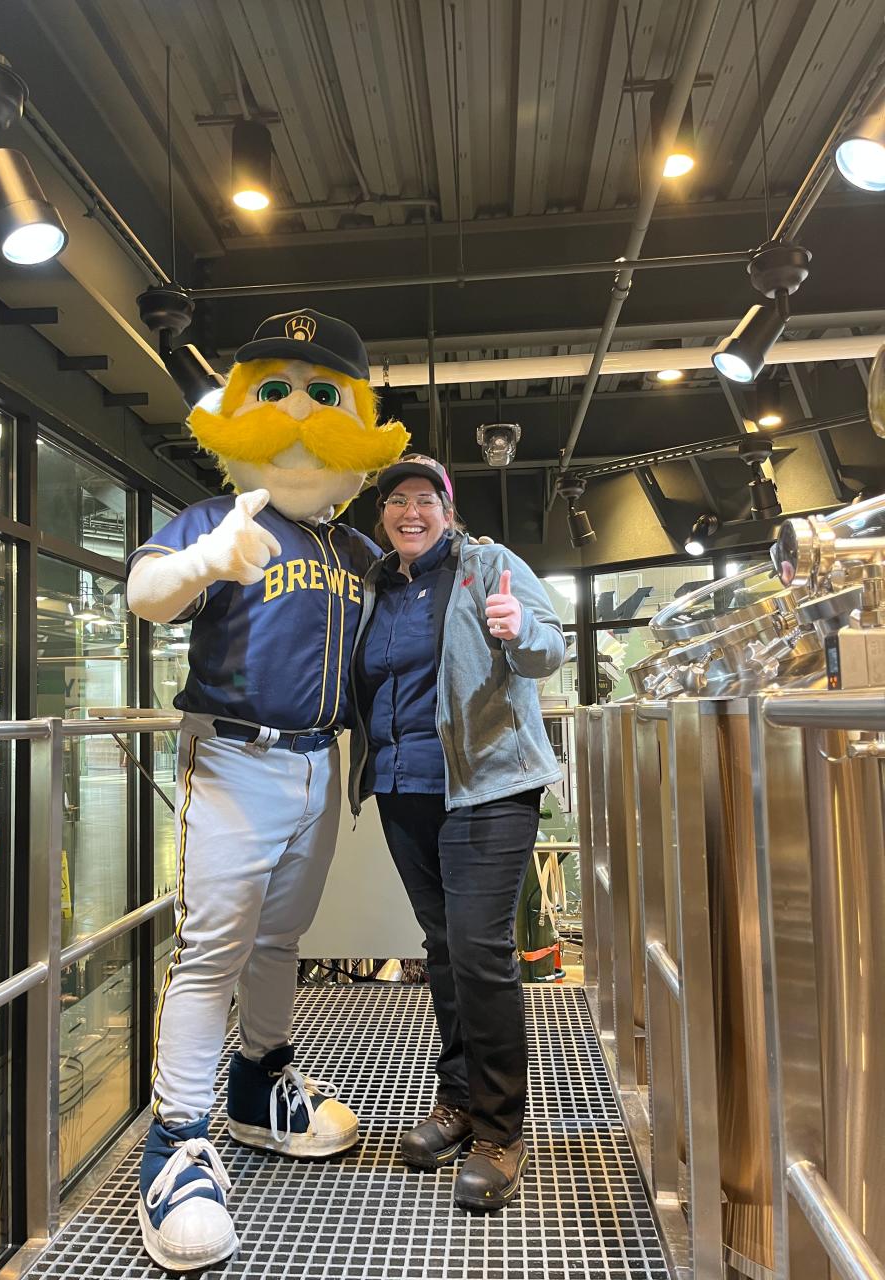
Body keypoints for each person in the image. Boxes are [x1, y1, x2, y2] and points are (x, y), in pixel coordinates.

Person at [126, 308, 408, 1271]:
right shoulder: (222, 518)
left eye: (324, 393)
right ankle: (177, 1140)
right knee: (211, 948)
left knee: (279, 939)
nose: (296, 413)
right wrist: (204, 563)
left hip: (316, 763)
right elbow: (145, 593)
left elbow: (416, 592)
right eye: (277, 391)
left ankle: (258, 1085)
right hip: (234, 759)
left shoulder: (346, 549)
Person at [349, 454, 565, 1212]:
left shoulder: (488, 566)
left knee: (479, 952)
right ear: (383, 516)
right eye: (396, 502)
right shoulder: (377, 585)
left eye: (424, 500)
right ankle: (461, 1098)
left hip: (488, 786)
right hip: (402, 789)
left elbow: (548, 647)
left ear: (448, 508)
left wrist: (517, 630)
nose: (410, 512)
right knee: (442, 949)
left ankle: (502, 1132)